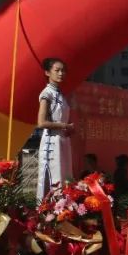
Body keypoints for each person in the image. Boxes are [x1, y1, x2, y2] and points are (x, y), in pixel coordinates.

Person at [36, 57, 74, 200]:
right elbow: (41, 122)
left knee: (65, 175)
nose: (61, 73)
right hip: (51, 142)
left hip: (62, 140)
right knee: (54, 176)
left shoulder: (60, 94)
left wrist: (67, 129)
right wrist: (64, 126)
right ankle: (48, 209)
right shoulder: (47, 94)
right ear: (47, 72)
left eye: (63, 71)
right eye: (57, 70)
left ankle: (64, 208)